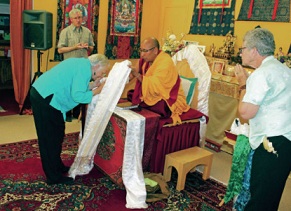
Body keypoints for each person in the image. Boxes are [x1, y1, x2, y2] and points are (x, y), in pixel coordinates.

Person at [30, 54, 110, 185]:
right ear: (96, 66)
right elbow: (78, 95)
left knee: (57, 135)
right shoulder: (84, 69)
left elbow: (76, 85)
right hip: (45, 98)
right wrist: (98, 90)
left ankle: (57, 166)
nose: (102, 75)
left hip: (45, 95)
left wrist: (92, 85)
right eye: (102, 72)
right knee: (50, 138)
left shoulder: (82, 65)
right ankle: (53, 177)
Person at [234, 28, 291, 210]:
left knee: (260, 198)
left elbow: (245, 113)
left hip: (271, 144)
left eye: (243, 48)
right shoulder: (284, 69)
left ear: (254, 51)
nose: (240, 52)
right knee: (271, 195)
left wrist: (243, 83)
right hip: (286, 141)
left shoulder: (261, 74)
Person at [128, 37, 190, 124]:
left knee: (161, 106)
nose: (142, 54)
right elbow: (130, 76)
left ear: (155, 50)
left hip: (168, 97)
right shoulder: (144, 60)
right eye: (141, 50)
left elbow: (156, 86)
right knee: (131, 94)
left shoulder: (165, 62)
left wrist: (137, 75)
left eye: (145, 51)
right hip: (152, 95)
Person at [57, 8, 95, 121]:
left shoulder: (87, 32)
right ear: (71, 19)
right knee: (68, 89)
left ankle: (78, 113)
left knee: (81, 88)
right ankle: (68, 113)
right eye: (75, 18)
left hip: (83, 66)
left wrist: (87, 47)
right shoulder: (65, 32)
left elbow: (92, 48)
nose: (78, 20)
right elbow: (60, 50)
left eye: (80, 18)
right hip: (69, 66)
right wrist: (75, 47)